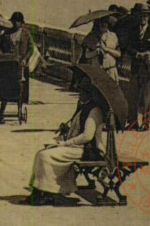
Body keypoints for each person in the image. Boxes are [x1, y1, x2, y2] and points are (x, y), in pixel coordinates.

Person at [25, 76, 107, 206]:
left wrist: (65, 143)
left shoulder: (94, 110)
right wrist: (66, 129)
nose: (79, 94)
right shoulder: (83, 107)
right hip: (78, 147)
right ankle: (39, 191)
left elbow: (87, 136)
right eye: (79, 91)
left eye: (82, 92)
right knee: (41, 153)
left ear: (90, 94)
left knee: (45, 156)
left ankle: (51, 191)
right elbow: (77, 129)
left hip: (88, 150)